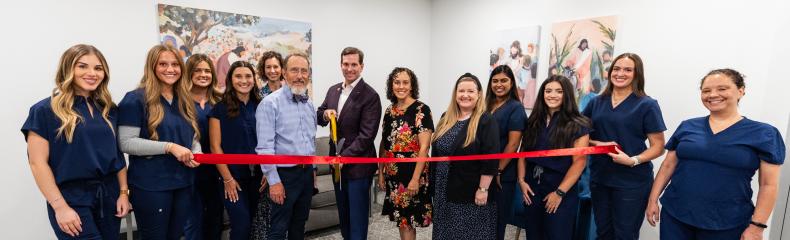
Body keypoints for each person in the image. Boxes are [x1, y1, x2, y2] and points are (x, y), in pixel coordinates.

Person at [646, 69, 786, 240]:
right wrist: (653, 200)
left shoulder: (764, 133)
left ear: (741, 91)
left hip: (728, 222)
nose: (712, 95)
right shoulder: (688, 126)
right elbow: (668, 165)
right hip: (676, 215)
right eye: (706, 91)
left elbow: (768, 185)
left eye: (722, 89)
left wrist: (757, 226)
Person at [23, 44, 130, 239]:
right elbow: (37, 163)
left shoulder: (108, 109)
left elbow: (117, 155)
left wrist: (123, 192)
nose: (92, 73)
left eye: (98, 68)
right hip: (71, 198)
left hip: (109, 195)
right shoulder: (44, 110)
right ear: (68, 69)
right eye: (82, 66)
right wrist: (60, 207)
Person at [118, 44, 202, 239]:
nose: (170, 69)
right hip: (151, 185)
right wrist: (169, 147)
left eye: (175, 64)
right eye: (163, 64)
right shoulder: (135, 100)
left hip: (183, 182)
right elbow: (126, 142)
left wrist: (197, 152)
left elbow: (193, 136)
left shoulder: (184, 99)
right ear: (152, 67)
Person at [581, 53, 666, 240]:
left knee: (624, 235)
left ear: (637, 74)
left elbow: (658, 146)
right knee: (603, 232)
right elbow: (580, 136)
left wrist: (633, 160)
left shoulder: (647, 105)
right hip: (600, 178)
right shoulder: (596, 102)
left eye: (628, 70)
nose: (621, 73)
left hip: (631, 182)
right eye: (617, 69)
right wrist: (599, 143)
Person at [317, 47, 382, 240]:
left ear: (362, 66)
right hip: (337, 166)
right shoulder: (333, 90)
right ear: (341, 65)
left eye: (354, 64)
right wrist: (325, 114)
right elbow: (319, 115)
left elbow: (367, 135)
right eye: (346, 64)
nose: (349, 68)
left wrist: (344, 157)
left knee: (357, 218)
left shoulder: (370, 96)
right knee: (343, 216)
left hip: (358, 168)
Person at [518, 75, 591, 240]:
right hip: (532, 188)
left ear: (567, 95)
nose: (552, 95)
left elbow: (579, 163)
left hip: (560, 188)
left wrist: (559, 193)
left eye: (559, 91)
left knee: (557, 234)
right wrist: (522, 181)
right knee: (533, 234)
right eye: (548, 91)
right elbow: (523, 153)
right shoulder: (534, 121)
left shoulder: (579, 124)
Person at [430, 73, 500, 240]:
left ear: (479, 95)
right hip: (443, 188)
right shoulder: (445, 117)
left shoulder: (486, 121)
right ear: (455, 94)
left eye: (470, 91)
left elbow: (491, 158)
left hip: (469, 191)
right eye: (461, 91)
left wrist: (483, 189)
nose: (465, 95)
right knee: (445, 232)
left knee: (467, 234)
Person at [256, 53, 316, 240]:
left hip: (305, 175)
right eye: (294, 70)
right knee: (278, 228)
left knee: (299, 224)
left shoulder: (309, 104)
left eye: (304, 71)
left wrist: (312, 173)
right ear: (284, 72)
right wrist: (274, 182)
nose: (300, 75)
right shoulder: (269, 104)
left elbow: (310, 142)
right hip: (284, 176)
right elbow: (264, 149)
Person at [377, 67, 434, 240]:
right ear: (391, 85)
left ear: (411, 85)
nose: (401, 86)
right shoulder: (389, 111)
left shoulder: (421, 110)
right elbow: (384, 143)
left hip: (413, 173)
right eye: (396, 82)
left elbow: (425, 148)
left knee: (409, 221)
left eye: (405, 82)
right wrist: (381, 172)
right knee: (402, 220)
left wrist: (415, 179)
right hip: (393, 174)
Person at [209, 61, 264, 240]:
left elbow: (271, 142)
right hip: (231, 177)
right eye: (238, 76)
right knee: (241, 224)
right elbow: (214, 147)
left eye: (248, 76)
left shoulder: (262, 106)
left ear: (254, 80)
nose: (244, 80)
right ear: (230, 80)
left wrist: (269, 171)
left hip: (259, 176)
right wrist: (227, 179)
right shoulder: (219, 109)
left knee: (257, 223)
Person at [184, 53, 224, 240]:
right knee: (193, 220)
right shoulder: (180, 101)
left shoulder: (220, 101)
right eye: (198, 70)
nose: (203, 74)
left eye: (207, 71)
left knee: (215, 217)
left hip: (217, 169)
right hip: (190, 168)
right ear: (189, 73)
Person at [484, 65, 527, 240]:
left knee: (496, 222)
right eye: (495, 81)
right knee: (481, 220)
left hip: (502, 175)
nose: (499, 84)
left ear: (511, 83)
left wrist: (498, 170)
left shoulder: (515, 108)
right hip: (482, 172)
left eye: (503, 80)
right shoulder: (486, 105)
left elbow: (513, 143)